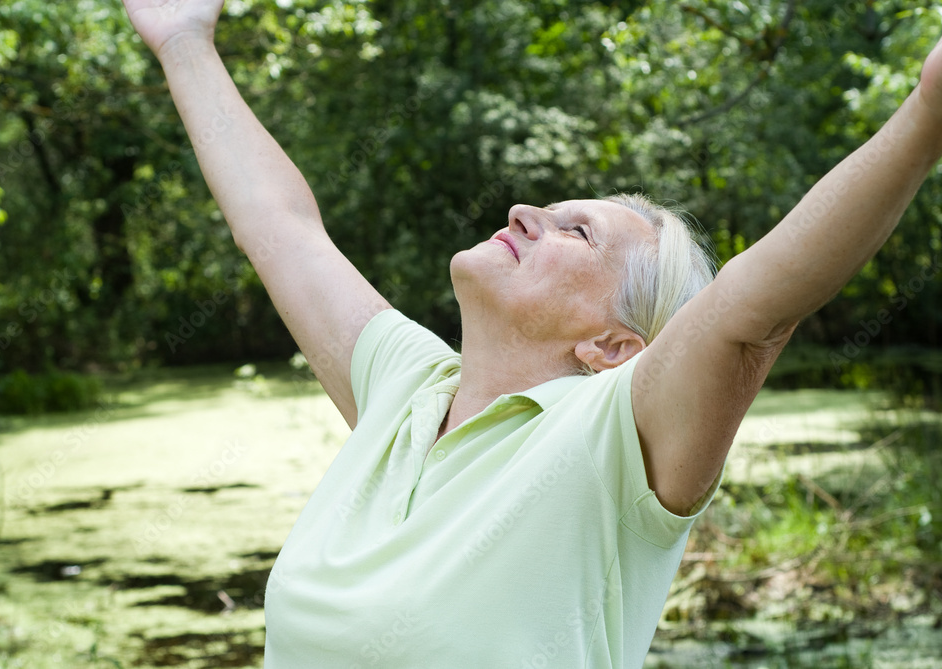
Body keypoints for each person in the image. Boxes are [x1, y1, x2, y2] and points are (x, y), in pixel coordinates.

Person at [121, 1, 942, 666]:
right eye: (547, 212)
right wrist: (185, 40)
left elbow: (755, 308)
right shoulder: (403, 387)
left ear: (616, 346)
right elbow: (283, 228)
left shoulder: (616, 442)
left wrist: (927, 111)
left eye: (573, 232)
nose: (524, 212)